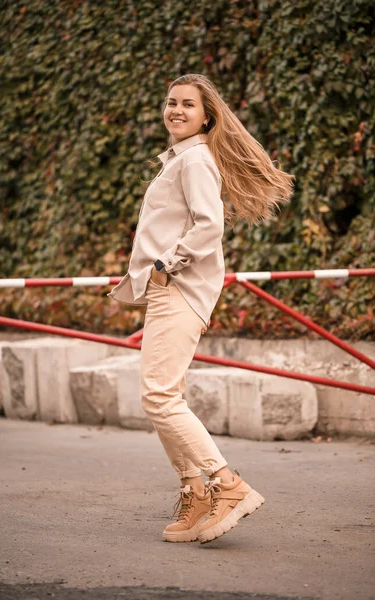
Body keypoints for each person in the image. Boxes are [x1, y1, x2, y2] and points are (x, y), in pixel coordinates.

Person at [107, 73, 294, 544]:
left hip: (179, 288)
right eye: (171, 102)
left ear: (206, 115)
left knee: (159, 396)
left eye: (187, 104)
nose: (176, 110)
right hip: (168, 287)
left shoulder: (193, 161)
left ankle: (226, 484)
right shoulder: (183, 159)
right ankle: (195, 490)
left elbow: (209, 227)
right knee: (164, 394)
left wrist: (167, 265)